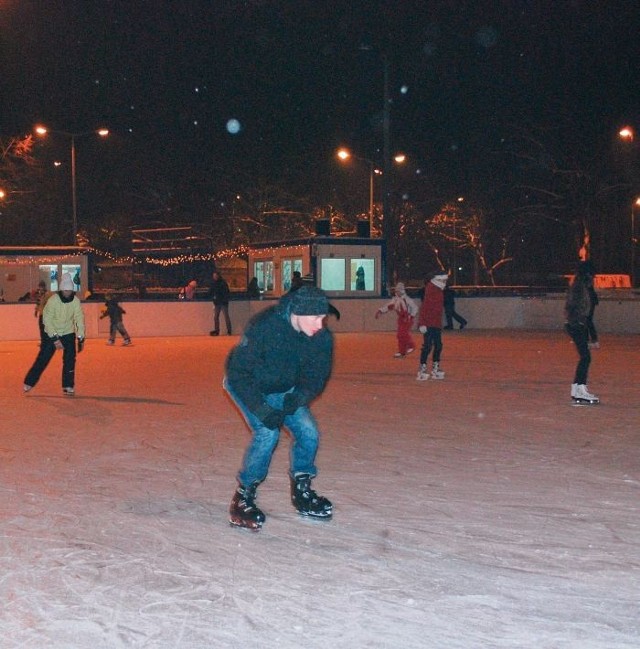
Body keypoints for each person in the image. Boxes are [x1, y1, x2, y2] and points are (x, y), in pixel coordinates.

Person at [224, 285, 334, 531]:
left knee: (309, 433)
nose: (320, 323)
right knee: (267, 433)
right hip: (249, 385)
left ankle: (302, 491)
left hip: (284, 389)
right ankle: (243, 497)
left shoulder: (320, 337)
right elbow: (238, 374)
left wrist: (299, 396)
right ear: (297, 312)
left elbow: (317, 375)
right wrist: (261, 409)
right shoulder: (265, 327)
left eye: (323, 317)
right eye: (315, 317)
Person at [23, 272, 85, 396]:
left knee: (70, 359)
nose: (67, 292)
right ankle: (29, 382)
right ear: (61, 289)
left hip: (68, 333)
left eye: (69, 290)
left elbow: (79, 318)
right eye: (65, 290)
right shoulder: (53, 301)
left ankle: (68, 385)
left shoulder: (75, 302)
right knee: (44, 358)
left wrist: (81, 336)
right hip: (51, 332)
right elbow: (46, 319)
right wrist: (55, 338)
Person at [565, 261, 599, 404]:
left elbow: (588, 315)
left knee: (585, 357)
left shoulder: (582, 287)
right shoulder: (580, 288)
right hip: (576, 325)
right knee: (585, 357)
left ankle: (577, 388)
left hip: (578, 325)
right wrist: (578, 324)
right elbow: (574, 309)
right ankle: (580, 389)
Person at [416, 272, 448, 381]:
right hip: (428, 323)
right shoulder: (431, 290)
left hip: (436, 323)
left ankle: (435, 367)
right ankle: (422, 369)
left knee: (438, 345)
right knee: (428, 346)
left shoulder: (439, 291)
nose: (445, 283)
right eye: (443, 280)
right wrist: (422, 323)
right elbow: (424, 307)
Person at [375, 282, 418, 358]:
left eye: (398, 291)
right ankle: (402, 351)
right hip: (401, 319)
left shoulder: (407, 299)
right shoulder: (395, 299)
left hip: (407, 319)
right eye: (396, 291)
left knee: (403, 334)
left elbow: (415, 308)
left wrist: (411, 316)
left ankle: (411, 345)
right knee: (400, 335)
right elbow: (388, 306)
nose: (397, 292)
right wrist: (380, 311)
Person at [209, 271, 232, 335]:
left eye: (215, 276)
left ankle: (229, 331)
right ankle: (217, 331)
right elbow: (210, 291)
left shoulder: (223, 283)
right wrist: (213, 298)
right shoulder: (213, 283)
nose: (214, 277)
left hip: (223, 302)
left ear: (218, 276)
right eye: (214, 276)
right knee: (216, 317)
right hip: (217, 303)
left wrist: (223, 299)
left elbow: (226, 292)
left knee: (226, 317)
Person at [585, 273, 599, 349]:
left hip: (588, 307)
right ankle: (594, 341)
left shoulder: (589, 291)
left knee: (587, 322)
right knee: (588, 322)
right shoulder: (591, 291)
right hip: (590, 306)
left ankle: (589, 341)